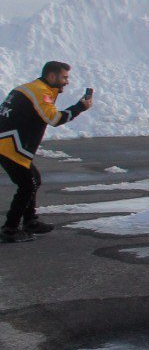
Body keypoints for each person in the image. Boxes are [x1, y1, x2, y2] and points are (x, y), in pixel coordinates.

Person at [1, 61, 94, 242]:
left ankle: (30, 221)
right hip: (9, 146)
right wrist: (80, 107)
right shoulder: (40, 92)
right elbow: (54, 119)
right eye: (64, 77)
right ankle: (10, 229)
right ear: (52, 76)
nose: (67, 81)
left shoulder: (34, 88)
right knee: (28, 185)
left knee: (33, 180)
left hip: (9, 144)